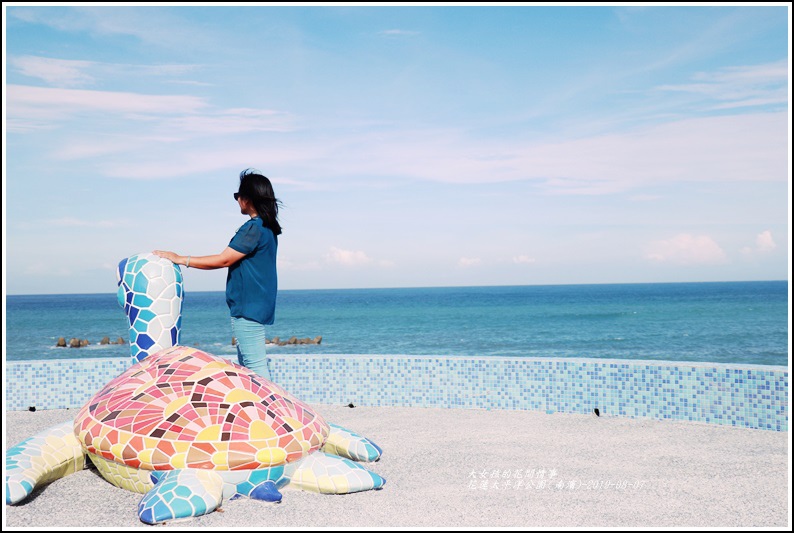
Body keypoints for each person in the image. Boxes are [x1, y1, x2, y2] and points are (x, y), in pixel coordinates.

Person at [153, 168, 282, 381]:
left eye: (237, 196)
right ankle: (257, 411)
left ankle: (274, 411)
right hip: (257, 305)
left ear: (247, 199)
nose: (237, 200)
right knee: (249, 368)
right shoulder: (268, 229)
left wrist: (181, 259)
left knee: (255, 367)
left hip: (248, 307)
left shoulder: (253, 228)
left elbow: (224, 259)